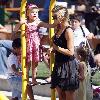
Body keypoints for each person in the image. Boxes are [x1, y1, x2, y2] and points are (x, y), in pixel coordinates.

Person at [14, 3, 57, 85]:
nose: (34, 14)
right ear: (27, 14)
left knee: (35, 64)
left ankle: (34, 79)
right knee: (27, 64)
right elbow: (16, 29)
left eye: (36, 12)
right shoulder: (25, 23)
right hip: (28, 45)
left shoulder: (38, 22)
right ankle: (26, 79)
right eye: (32, 12)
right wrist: (20, 23)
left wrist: (55, 23)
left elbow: (49, 26)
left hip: (36, 45)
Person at [48, 5, 79, 100]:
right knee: (61, 96)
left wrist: (55, 48)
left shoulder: (68, 31)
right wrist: (52, 49)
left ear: (62, 17)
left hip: (68, 66)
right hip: (58, 65)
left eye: (55, 17)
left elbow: (71, 52)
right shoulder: (58, 28)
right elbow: (58, 47)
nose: (53, 19)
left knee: (68, 96)